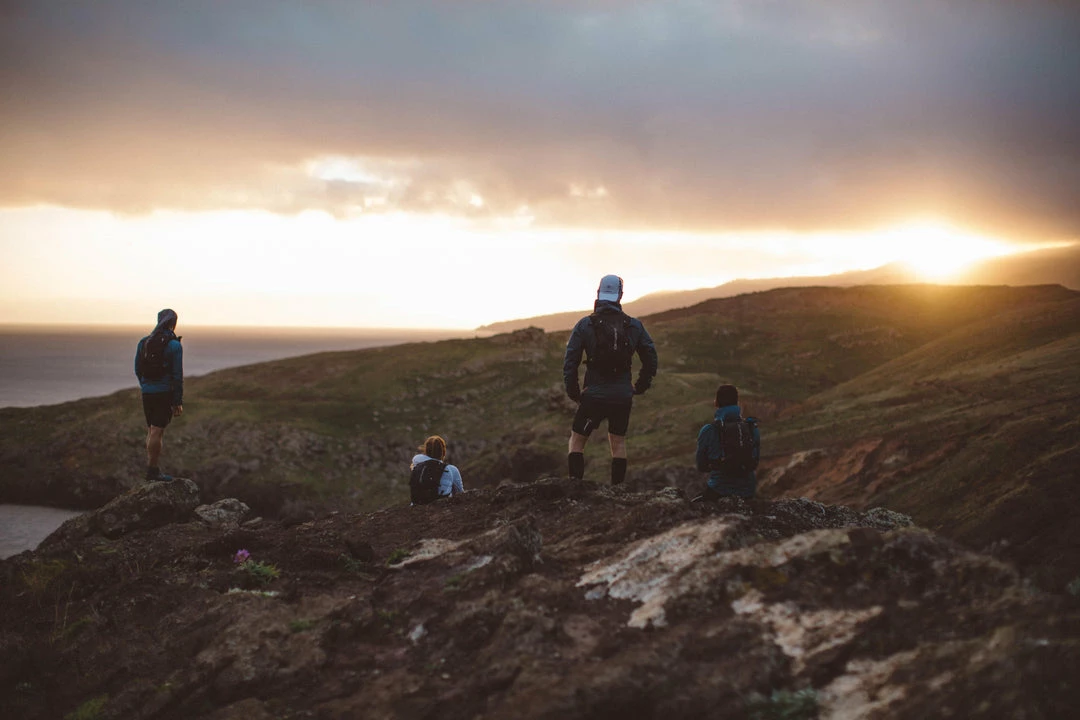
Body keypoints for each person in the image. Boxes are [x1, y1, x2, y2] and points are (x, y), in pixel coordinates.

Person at [563, 274, 658, 485]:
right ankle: (617, 490)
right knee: (618, 442)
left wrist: (576, 393)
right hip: (622, 396)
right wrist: (640, 386)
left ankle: (575, 486)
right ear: (620, 295)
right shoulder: (634, 326)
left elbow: (570, 362)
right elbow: (651, 358)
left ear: (598, 293)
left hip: (593, 396)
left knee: (577, 440)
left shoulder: (585, 325)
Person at [134, 309, 184, 482]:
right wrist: (177, 400)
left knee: (151, 430)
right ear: (173, 323)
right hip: (164, 393)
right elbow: (177, 375)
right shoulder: (174, 345)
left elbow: (137, 369)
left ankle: (152, 469)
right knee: (157, 431)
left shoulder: (144, 342)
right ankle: (152, 470)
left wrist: (145, 386)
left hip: (147, 393)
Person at [694, 384, 760, 500]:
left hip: (719, 489)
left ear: (716, 403)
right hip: (747, 492)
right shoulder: (751, 428)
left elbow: (701, 466)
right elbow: (754, 461)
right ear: (737, 403)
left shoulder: (709, 430)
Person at [410, 435, 465, 502]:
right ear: (443, 451)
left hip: (416, 505)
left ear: (426, 450)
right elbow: (460, 493)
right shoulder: (452, 469)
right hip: (441, 507)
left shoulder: (417, 464)